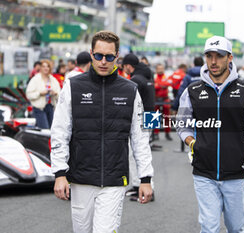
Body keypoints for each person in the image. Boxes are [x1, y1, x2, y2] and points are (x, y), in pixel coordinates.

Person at [50, 31, 154, 233]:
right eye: (98, 56)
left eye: (109, 57)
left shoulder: (130, 90)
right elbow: (60, 131)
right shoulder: (73, 86)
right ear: (91, 54)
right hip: (80, 178)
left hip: (115, 180)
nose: (103, 61)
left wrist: (145, 179)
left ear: (117, 57)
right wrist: (59, 173)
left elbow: (140, 138)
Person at [176, 35, 244, 232]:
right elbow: (182, 125)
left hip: (235, 173)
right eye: (209, 56)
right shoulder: (192, 90)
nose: (213, 61)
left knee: (236, 227)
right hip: (203, 172)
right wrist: (193, 144)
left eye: (219, 56)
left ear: (230, 58)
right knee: (209, 226)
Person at [122, 53, 156, 201]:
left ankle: (144, 186)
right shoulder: (147, 75)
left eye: (124, 67)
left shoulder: (136, 79)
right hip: (152, 115)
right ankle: (137, 185)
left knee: (136, 153)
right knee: (143, 151)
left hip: (141, 117)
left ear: (129, 66)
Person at [26, 60, 61, 129]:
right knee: (44, 129)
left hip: (50, 107)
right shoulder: (35, 79)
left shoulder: (53, 79)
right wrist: (40, 93)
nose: (46, 68)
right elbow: (29, 94)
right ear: (40, 68)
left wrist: (55, 93)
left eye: (48, 66)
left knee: (52, 129)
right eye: (43, 66)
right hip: (39, 108)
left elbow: (59, 93)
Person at [154, 63, 172, 140]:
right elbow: (154, 86)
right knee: (155, 117)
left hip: (165, 99)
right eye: (159, 68)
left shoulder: (166, 76)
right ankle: (155, 133)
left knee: (167, 117)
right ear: (156, 69)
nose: (160, 70)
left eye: (162, 68)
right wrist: (162, 85)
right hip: (156, 99)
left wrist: (159, 85)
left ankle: (167, 133)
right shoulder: (154, 76)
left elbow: (169, 83)